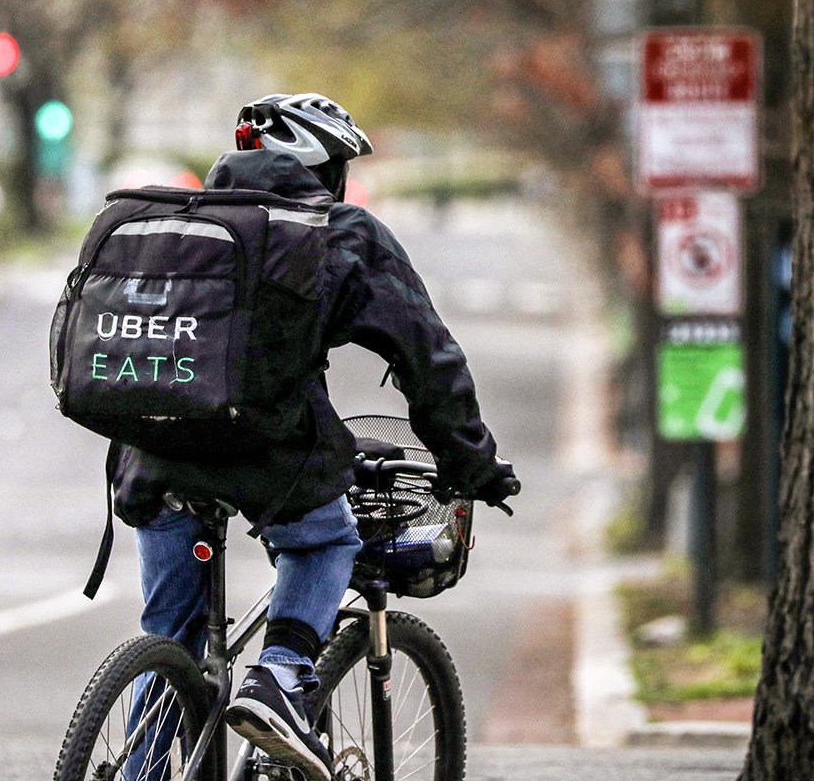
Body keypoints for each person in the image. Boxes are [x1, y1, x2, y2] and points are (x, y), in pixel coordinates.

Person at [112, 93, 517, 781]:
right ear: (321, 168)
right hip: (265, 454)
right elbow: (429, 358)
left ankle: (139, 770)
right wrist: (472, 462)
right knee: (326, 538)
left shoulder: (179, 221)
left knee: (172, 642)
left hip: (151, 454)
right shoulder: (338, 232)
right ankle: (282, 676)